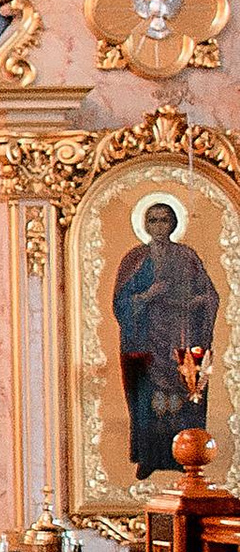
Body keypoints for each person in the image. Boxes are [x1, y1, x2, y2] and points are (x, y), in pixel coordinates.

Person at [114, 199, 221, 477]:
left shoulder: (187, 257)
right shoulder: (135, 259)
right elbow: (121, 303)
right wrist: (149, 295)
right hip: (146, 342)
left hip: (181, 338)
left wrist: (194, 303)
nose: (160, 226)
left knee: (183, 397)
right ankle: (150, 457)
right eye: (154, 220)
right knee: (148, 398)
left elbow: (209, 296)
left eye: (165, 220)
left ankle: (186, 458)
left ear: (174, 224)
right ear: (145, 225)